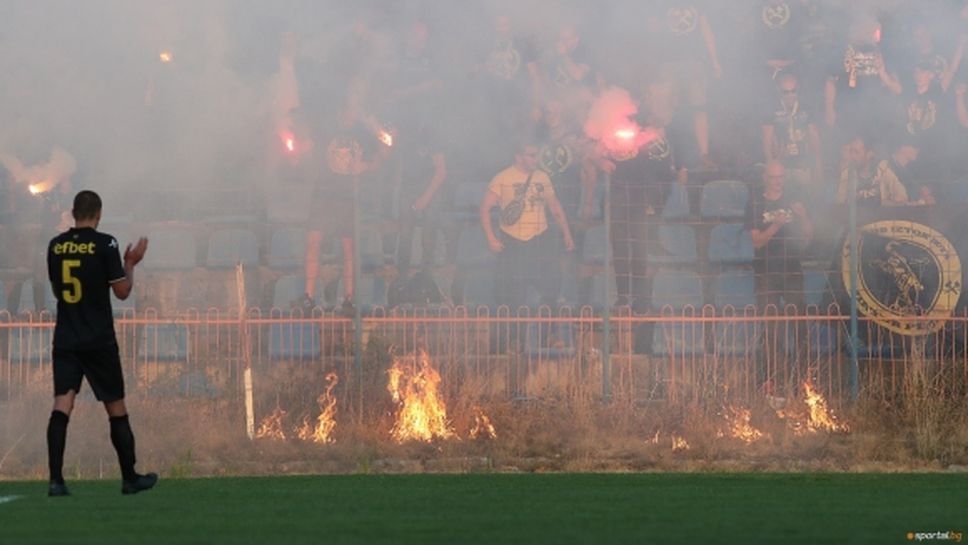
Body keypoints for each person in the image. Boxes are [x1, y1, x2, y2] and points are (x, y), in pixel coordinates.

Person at [45, 190, 156, 496]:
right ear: (98, 214)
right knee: (116, 408)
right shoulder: (105, 243)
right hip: (98, 339)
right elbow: (122, 292)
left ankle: (56, 481)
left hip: (66, 337)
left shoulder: (55, 246)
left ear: (73, 212)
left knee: (62, 405)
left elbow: (57, 289)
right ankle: (129, 478)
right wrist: (130, 263)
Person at [480, 140, 575, 308]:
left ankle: (546, 329)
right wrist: (491, 238)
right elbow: (485, 208)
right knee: (514, 292)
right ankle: (516, 332)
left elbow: (554, 206)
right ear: (518, 157)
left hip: (539, 239)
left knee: (549, 287)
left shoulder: (542, 177)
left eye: (537, 155)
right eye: (531, 155)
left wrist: (567, 233)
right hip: (513, 241)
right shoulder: (502, 178)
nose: (536, 159)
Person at [748, 161, 814, 312]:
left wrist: (803, 216)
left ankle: (801, 337)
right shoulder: (755, 203)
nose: (778, 181)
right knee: (770, 324)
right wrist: (775, 226)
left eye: (781, 177)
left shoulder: (794, 200)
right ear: (765, 178)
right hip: (766, 270)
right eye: (774, 177)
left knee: (798, 320)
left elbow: (809, 236)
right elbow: (757, 242)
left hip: (792, 267)